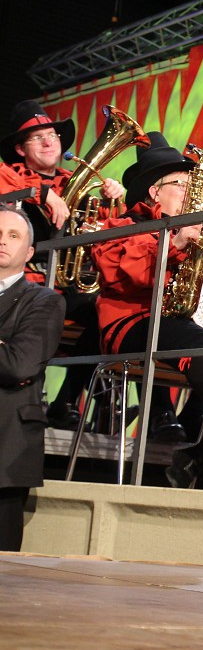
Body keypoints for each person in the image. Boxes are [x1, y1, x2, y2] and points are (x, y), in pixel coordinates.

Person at [91, 132, 203, 486]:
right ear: (155, 191)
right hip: (135, 321)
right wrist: (173, 241)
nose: (192, 192)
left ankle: (198, 452)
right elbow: (127, 274)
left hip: (197, 323)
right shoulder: (122, 227)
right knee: (196, 344)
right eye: (182, 184)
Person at [0, 100, 126, 430]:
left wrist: (115, 200)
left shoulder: (78, 181)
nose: (48, 141)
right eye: (37, 137)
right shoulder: (8, 175)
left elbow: (110, 231)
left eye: (52, 135)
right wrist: (39, 191)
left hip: (66, 287)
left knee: (107, 314)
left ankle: (67, 401)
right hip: (23, 286)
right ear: (19, 148)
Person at [0, 206, 66, 550]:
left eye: (13, 236)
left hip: (4, 450)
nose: (2, 242)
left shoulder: (44, 300)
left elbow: (18, 365)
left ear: (28, 253)